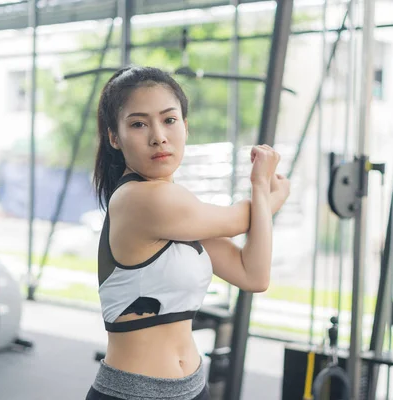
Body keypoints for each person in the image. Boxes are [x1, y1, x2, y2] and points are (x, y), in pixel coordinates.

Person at [85, 66, 291, 400]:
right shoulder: (141, 199)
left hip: (193, 388)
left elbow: (253, 275)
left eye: (169, 120)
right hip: (134, 394)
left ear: (185, 126)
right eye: (138, 124)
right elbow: (240, 219)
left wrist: (263, 198)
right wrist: (265, 192)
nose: (158, 136)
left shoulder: (180, 211)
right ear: (113, 137)